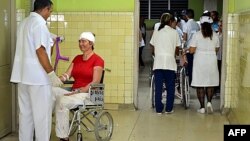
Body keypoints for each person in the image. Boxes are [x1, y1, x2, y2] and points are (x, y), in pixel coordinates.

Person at [10, 0, 63, 141]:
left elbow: (36, 48)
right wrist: (51, 74)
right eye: (50, 11)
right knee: (42, 118)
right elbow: (40, 51)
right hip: (38, 79)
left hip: (23, 77)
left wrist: (50, 41)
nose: (50, 14)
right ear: (45, 9)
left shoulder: (24, 23)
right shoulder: (40, 24)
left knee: (25, 116)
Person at [52, 32, 104, 141]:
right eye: (79, 41)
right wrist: (55, 80)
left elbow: (95, 82)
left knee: (62, 101)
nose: (81, 44)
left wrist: (78, 91)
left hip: (87, 94)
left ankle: (63, 137)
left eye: (83, 41)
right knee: (50, 91)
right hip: (74, 93)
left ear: (91, 43)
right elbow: (67, 75)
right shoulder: (77, 58)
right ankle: (44, 126)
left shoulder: (98, 60)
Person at [150, 13, 181, 114]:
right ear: (170, 21)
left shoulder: (156, 32)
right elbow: (177, 49)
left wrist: (157, 53)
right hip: (170, 63)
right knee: (170, 87)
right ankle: (169, 108)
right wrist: (174, 53)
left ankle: (159, 109)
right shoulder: (174, 32)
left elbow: (152, 47)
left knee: (158, 87)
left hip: (158, 62)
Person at [188, 15, 220, 114]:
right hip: (211, 59)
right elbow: (216, 49)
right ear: (211, 24)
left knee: (200, 84)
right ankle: (209, 102)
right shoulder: (215, 35)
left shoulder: (197, 35)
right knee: (210, 83)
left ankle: (202, 107)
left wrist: (190, 49)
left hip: (200, 60)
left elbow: (192, 50)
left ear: (201, 24)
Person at [182, 9, 200, 86]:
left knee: (189, 66)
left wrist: (183, 47)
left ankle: (190, 82)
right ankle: (195, 82)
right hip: (197, 49)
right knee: (195, 66)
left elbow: (185, 38)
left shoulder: (186, 25)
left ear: (187, 16)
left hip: (189, 49)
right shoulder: (197, 24)